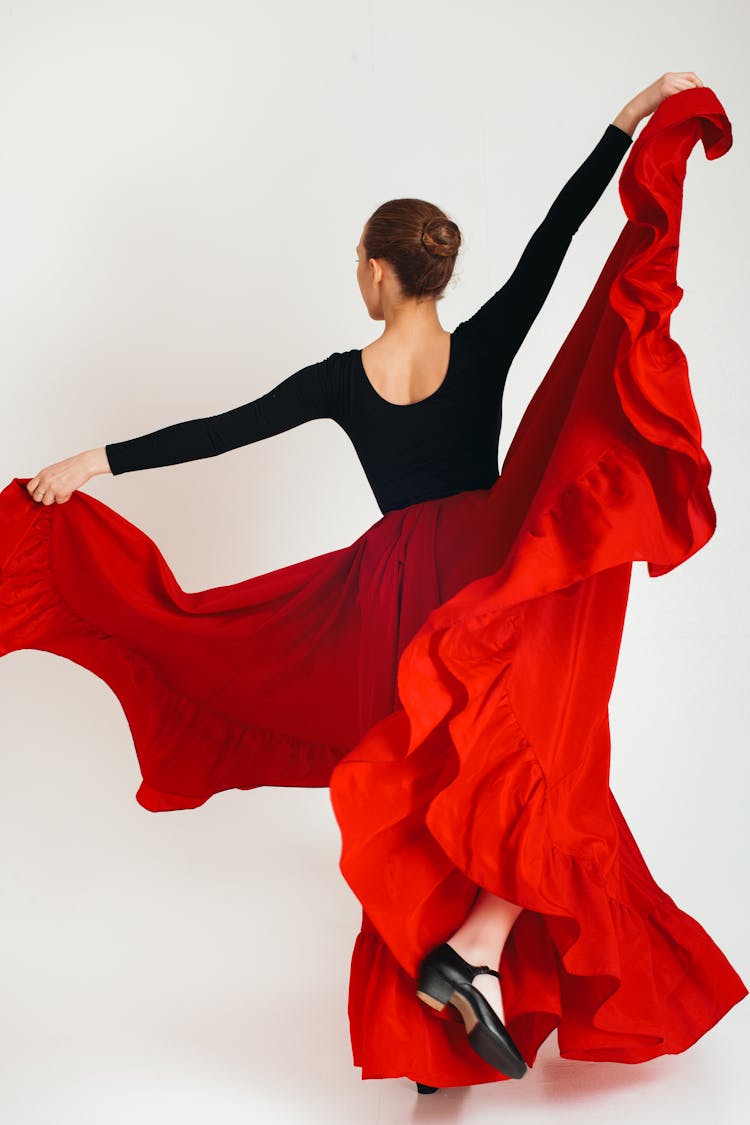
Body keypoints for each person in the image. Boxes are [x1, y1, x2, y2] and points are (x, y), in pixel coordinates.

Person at [7, 72, 746, 1094]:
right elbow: (558, 239)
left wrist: (95, 461)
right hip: (485, 577)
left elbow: (220, 431)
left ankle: (447, 1008)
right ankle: (464, 971)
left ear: (376, 272)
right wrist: (624, 127)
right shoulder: (482, 345)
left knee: (423, 792)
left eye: (359, 261)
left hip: (388, 592)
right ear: (431, 275)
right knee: (527, 778)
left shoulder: (340, 379)